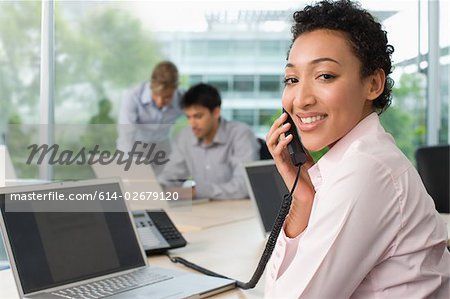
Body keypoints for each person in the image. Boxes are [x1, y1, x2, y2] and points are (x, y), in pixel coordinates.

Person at [265, 1, 449, 298]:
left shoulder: (365, 170)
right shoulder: (360, 159)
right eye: (292, 79)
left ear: (373, 84)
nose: (301, 99)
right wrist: (302, 196)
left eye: (325, 76)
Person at [158, 83, 259, 200]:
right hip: (202, 210)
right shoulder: (185, 136)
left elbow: (243, 187)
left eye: (198, 116)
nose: (192, 124)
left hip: (239, 211)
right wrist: (158, 188)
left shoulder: (241, 134)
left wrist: (195, 192)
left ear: (216, 112)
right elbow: (170, 177)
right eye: (188, 117)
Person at [116, 61, 183, 160]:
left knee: (167, 174)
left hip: (163, 145)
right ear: (151, 85)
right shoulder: (133, 96)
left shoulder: (183, 99)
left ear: (175, 89)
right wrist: (125, 163)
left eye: (167, 97)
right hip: (136, 145)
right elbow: (126, 134)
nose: (160, 102)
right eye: (156, 95)